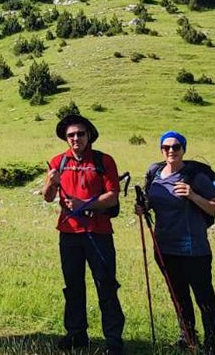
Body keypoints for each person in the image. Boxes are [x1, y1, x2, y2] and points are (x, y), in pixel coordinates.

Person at [42, 114, 125, 354]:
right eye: (71, 135)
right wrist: (50, 182)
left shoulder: (104, 161)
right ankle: (76, 334)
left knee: (106, 285)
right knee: (73, 285)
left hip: (99, 232)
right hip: (68, 233)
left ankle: (113, 340)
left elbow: (112, 196)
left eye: (80, 134)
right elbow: (48, 197)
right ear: (65, 139)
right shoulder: (58, 161)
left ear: (89, 136)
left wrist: (84, 204)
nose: (76, 138)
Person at [136, 131, 215, 354]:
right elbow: (151, 201)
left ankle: (213, 345)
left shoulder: (195, 177)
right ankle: (187, 338)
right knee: (178, 296)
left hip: (193, 249)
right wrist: (143, 207)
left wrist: (193, 195)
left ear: (183, 149)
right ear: (161, 150)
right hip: (164, 247)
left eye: (176, 147)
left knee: (204, 298)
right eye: (166, 147)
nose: (171, 151)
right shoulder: (154, 173)